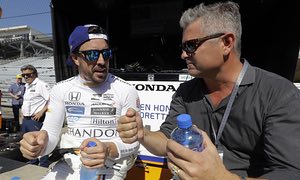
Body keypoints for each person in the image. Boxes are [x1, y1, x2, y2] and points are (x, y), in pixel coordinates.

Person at [116, 1, 300, 180]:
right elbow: (167, 139)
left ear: (227, 43)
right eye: (182, 47)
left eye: (191, 45)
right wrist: (143, 134)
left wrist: (220, 177)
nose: (183, 54)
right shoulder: (185, 92)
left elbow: (291, 173)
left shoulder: (278, 93)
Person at [20, 24, 140, 180]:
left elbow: (134, 143)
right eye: (92, 55)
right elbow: (51, 135)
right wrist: (39, 146)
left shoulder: (125, 90)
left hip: (109, 168)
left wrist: (108, 149)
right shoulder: (61, 89)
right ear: (75, 58)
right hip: (70, 165)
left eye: (106, 53)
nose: (102, 61)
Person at [20, 64, 51, 167]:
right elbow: (26, 102)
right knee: (29, 141)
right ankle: (33, 161)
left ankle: (43, 163)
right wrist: (22, 114)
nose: (25, 77)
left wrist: (41, 111)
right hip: (26, 119)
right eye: (23, 75)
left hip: (36, 119)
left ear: (34, 74)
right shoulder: (26, 86)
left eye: (28, 74)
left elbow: (51, 99)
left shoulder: (41, 85)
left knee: (39, 142)